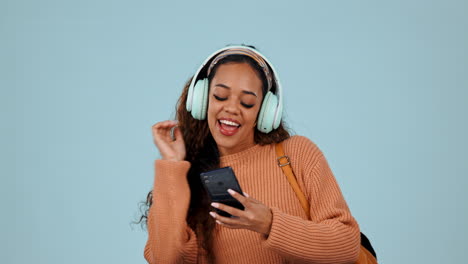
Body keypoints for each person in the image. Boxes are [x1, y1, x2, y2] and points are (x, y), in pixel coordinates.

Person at [142, 45, 361, 263]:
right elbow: (165, 258)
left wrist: (268, 222)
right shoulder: (185, 175)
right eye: (220, 96)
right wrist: (172, 167)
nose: (232, 108)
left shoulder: (297, 154)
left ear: (265, 112)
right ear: (202, 100)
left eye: (247, 102)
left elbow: (346, 246)